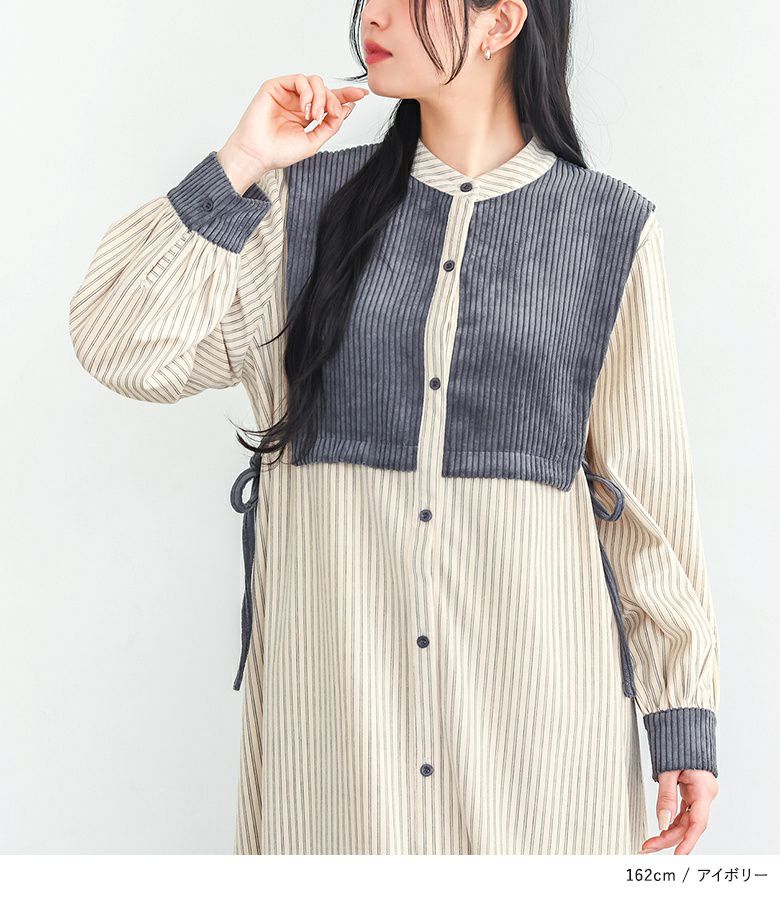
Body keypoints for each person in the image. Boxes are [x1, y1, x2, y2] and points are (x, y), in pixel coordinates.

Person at [68, 0, 720, 855]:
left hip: (536, 751)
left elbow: (646, 499)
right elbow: (121, 346)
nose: (372, 13)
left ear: (499, 23)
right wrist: (242, 161)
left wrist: (682, 715)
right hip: (340, 746)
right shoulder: (300, 206)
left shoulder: (609, 229)